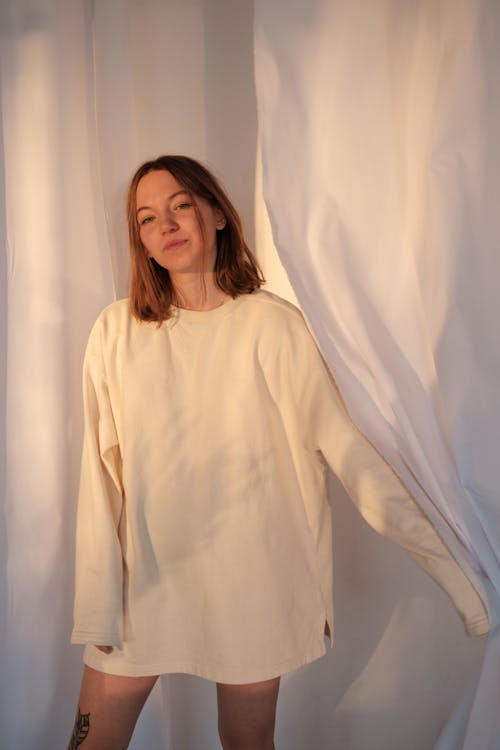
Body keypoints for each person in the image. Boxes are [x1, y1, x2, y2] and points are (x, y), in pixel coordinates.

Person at [69, 155, 488, 750]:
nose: (165, 225)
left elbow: (355, 459)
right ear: (139, 240)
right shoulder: (116, 331)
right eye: (146, 218)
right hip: (143, 588)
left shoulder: (276, 326)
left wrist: (461, 583)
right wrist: (97, 604)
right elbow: (100, 477)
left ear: (215, 213)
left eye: (180, 205)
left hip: (253, 587)